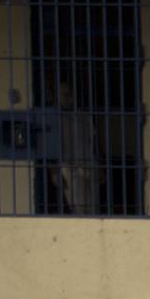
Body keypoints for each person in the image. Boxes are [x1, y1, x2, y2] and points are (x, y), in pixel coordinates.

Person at [52, 77, 98, 215]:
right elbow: (49, 148)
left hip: (89, 165)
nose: (69, 98)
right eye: (65, 94)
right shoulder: (54, 119)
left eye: (71, 94)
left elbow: (94, 141)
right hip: (68, 168)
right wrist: (53, 170)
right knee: (78, 209)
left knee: (94, 208)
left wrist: (100, 164)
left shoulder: (84, 116)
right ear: (57, 97)